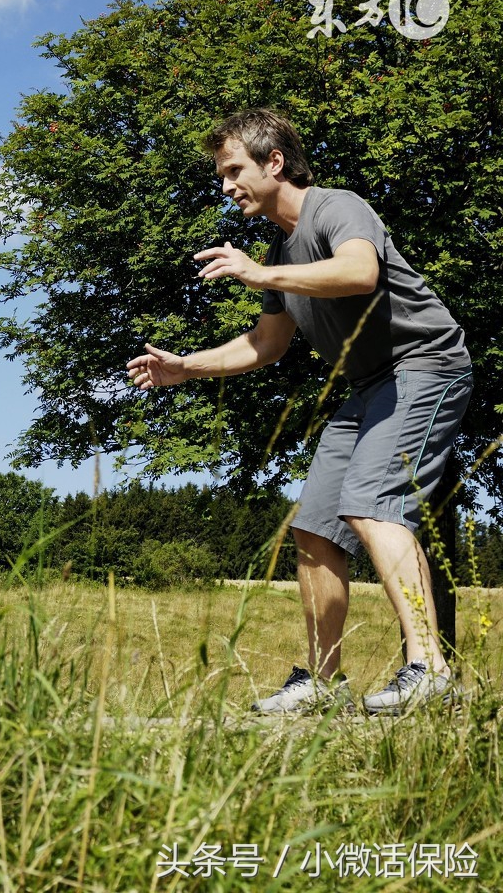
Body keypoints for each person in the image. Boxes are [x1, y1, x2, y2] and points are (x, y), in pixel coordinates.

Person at [127, 108, 473, 716]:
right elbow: (268, 343)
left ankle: (431, 669)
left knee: (372, 501)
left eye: (235, 170)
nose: (227, 185)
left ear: (274, 163)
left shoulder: (336, 208)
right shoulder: (280, 249)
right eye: (223, 174)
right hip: (368, 386)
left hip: (426, 367)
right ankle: (322, 682)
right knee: (315, 526)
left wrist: (263, 272)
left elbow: (360, 272)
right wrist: (186, 366)